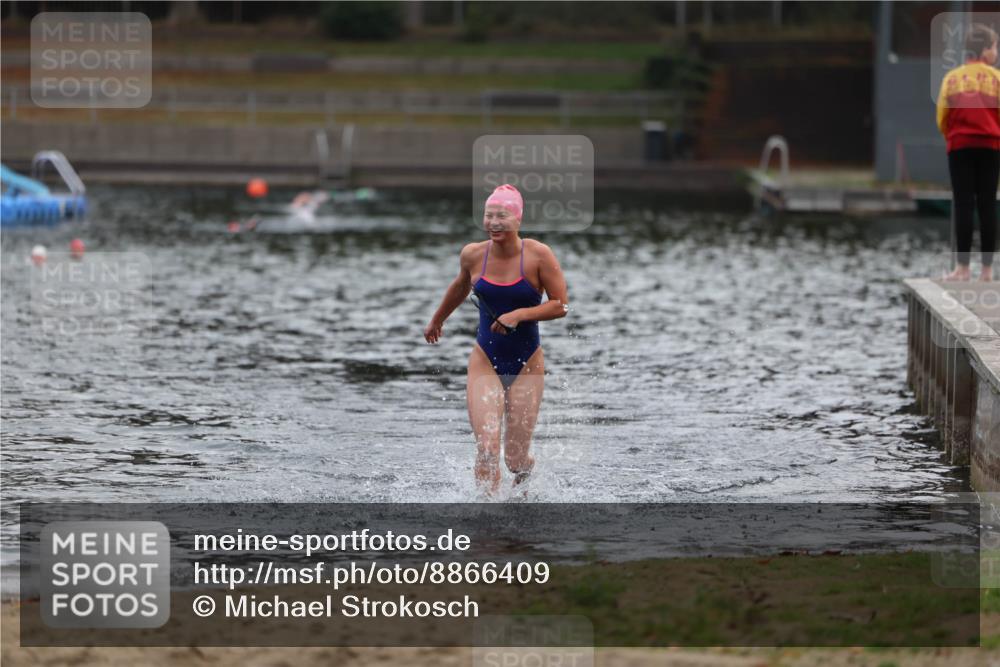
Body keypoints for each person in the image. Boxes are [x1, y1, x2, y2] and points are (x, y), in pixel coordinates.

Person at [424, 184, 569, 494]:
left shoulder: (539, 255)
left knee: (514, 459)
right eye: (488, 216)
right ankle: (486, 516)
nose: (493, 222)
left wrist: (519, 315)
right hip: (485, 359)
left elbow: (561, 305)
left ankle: (526, 477)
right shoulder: (473, 254)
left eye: (502, 215)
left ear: (517, 219)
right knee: (487, 449)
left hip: (527, 363)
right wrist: (438, 318)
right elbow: (462, 286)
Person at [937, 23, 1000, 281]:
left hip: (960, 146)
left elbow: (942, 115)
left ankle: (962, 268)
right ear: (985, 51)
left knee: (963, 203)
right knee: (988, 204)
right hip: (992, 146)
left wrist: (952, 136)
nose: (996, 52)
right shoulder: (997, 79)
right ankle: (987, 270)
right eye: (995, 47)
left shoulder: (952, 79)